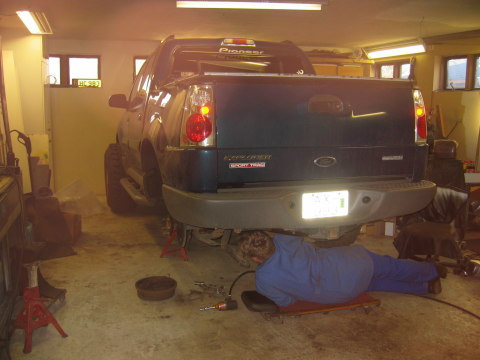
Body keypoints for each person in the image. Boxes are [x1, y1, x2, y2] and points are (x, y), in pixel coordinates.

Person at [238, 231, 447, 307]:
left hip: (340, 294)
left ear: (256, 259)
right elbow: (304, 240)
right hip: (353, 265)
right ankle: (432, 270)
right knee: (392, 267)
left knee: (376, 282)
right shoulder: (284, 241)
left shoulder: (264, 281)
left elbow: (286, 301)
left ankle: (425, 287)